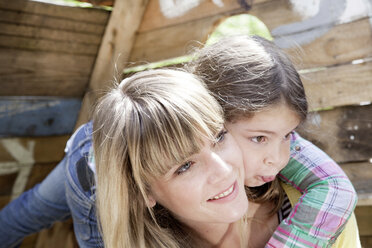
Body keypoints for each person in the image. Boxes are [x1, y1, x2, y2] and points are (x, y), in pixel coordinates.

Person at [0, 69, 250, 248]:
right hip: (91, 170)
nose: (225, 171)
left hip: (118, 139)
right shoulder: (108, 187)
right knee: (32, 212)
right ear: (141, 194)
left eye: (219, 137)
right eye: (184, 166)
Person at [186, 34, 360, 247]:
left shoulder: (321, 210)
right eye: (259, 138)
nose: (277, 159)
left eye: (287, 135)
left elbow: (337, 188)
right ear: (213, 124)